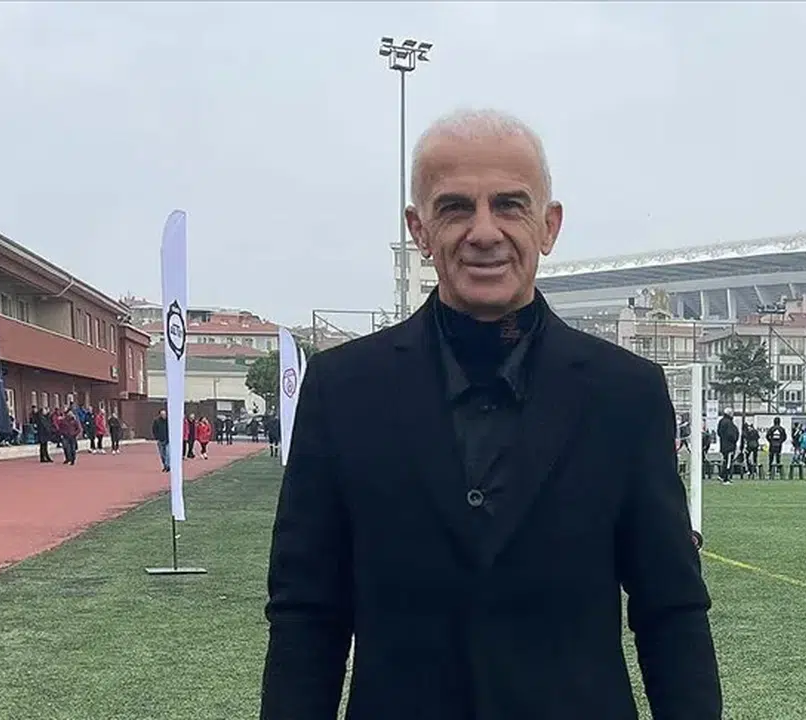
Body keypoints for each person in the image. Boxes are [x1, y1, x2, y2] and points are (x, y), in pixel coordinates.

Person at [260, 109, 720, 720]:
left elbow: (671, 609)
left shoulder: (625, 394)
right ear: (420, 230)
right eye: (455, 208)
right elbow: (306, 614)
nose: (484, 232)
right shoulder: (342, 390)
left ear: (549, 226)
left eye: (509, 205)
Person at [716, 407, 738, 485]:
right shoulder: (728, 423)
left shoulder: (721, 421)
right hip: (729, 446)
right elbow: (731, 434)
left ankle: (722, 476)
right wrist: (734, 439)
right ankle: (725, 478)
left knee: (726, 461)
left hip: (723, 445)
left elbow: (719, 432)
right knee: (728, 462)